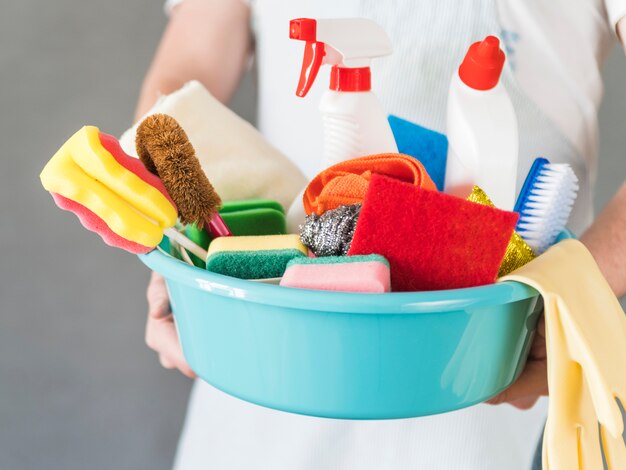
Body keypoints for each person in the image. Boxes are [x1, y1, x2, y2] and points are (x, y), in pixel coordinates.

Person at [136, 1, 626, 468]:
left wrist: (571, 297)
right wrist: (166, 243)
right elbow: (184, 78)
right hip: (261, 372)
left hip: (486, 383)